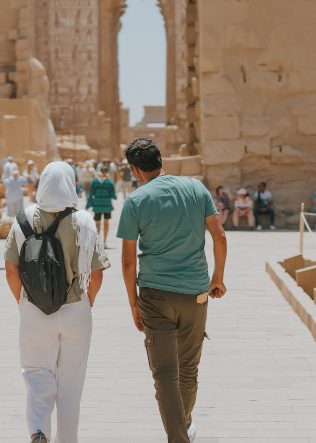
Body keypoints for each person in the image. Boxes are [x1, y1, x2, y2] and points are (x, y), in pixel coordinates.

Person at [116, 138, 227, 443]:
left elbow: (128, 262)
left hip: (155, 296)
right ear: (160, 160)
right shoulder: (195, 188)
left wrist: (133, 304)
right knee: (187, 370)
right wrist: (218, 278)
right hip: (196, 293)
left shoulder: (136, 201)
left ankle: (178, 436)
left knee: (165, 374)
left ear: (134, 169)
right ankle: (183, 429)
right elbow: (219, 236)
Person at [5, 161, 109, 443]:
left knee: (37, 372)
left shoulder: (22, 220)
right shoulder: (84, 221)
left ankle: (39, 429)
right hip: (76, 310)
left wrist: (24, 304)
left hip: (34, 311)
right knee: (71, 384)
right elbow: (96, 274)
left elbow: (11, 270)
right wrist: (87, 303)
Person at [87, 167, 117, 244]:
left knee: (97, 223)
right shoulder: (109, 182)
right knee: (106, 222)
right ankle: (104, 241)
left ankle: (98, 242)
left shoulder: (94, 181)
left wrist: (88, 204)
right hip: (107, 204)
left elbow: (91, 193)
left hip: (97, 204)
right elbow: (113, 194)